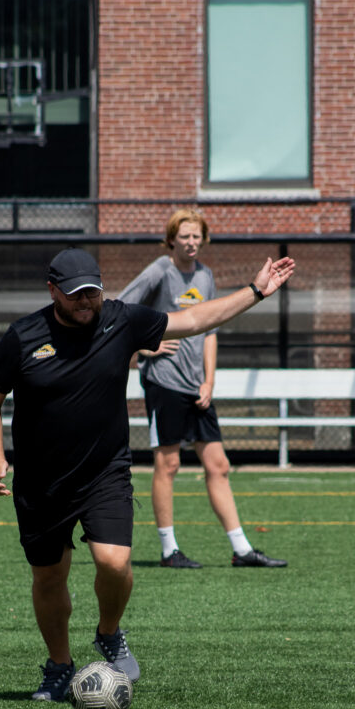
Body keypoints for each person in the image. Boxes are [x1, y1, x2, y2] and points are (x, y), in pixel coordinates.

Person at [0, 245, 295, 702]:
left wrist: (255, 292)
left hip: (105, 471)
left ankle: (109, 632)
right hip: (42, 481)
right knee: (49, 578)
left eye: (92, 293)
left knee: (115, 561)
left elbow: (195, 321)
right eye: (75, 295)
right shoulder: (23, 336)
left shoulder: (121, 320)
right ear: (52, 292)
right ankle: (60, 667)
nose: (86, 302)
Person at [119, 209, 287, 569]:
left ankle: (241, 550)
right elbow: (119, 313)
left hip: (197, 387)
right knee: (169, 464)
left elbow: (209, 330)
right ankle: (168, 550)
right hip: (163, 382)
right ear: (171, 240)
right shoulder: (159, 271)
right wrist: (146, 348)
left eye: (197, 236)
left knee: (218, 464)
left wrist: (209, 380)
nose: (192, 243)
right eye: (185, 237)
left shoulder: (205, 276)